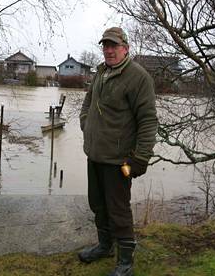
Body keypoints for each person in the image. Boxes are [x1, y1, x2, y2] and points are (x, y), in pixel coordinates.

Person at [78, 27, 158, 276]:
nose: (109, 50)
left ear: (126, 48)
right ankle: (105, 246)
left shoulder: (138, 77)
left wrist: (141, 157)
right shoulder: (101, 72)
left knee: (118, 210)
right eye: (105, 46)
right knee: (98, 205)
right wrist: (86, 124)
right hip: (95, 155)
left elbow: (148, 120)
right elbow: (88, 103)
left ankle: (125, 263)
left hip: (118, 160)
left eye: (114, 46)